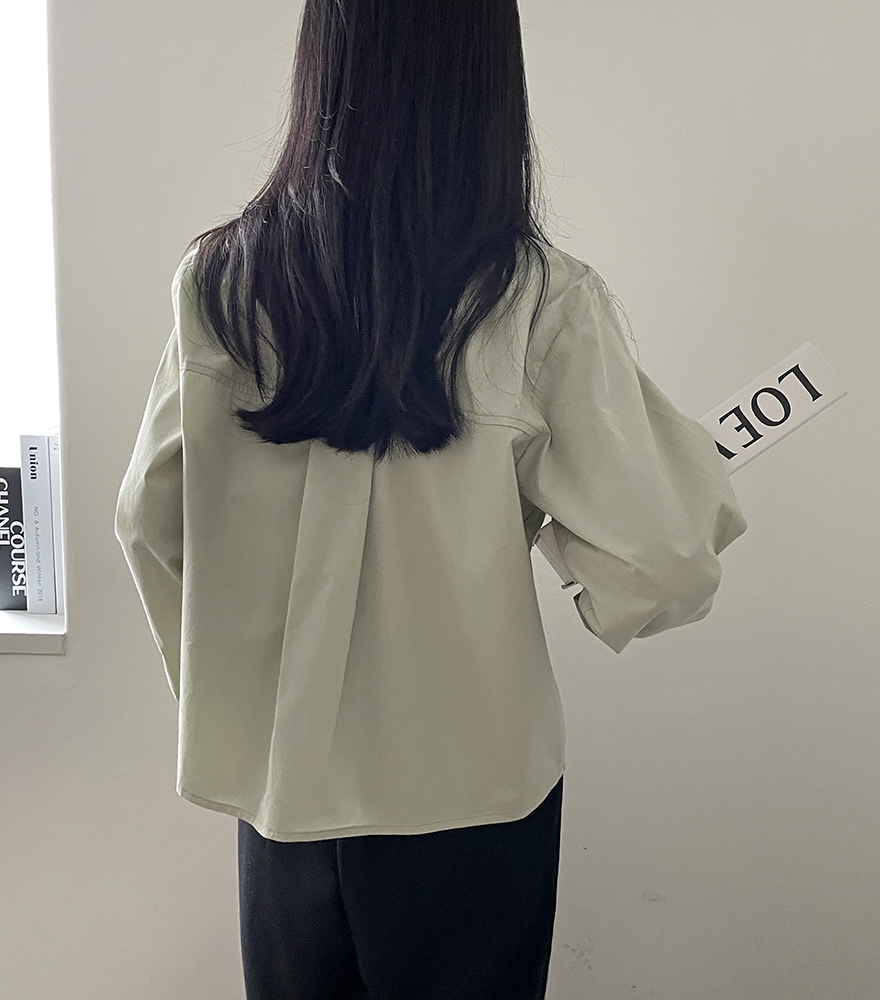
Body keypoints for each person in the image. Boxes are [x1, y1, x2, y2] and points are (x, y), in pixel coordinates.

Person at [114, 1, 748, 997]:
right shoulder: (537, 301)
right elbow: (661, 560)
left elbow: (147, 523)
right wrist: (563, 545)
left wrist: (235, 697)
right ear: (485, 79)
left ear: (322, 59)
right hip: (473, 799)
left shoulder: (222, 283)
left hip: (284, 802)